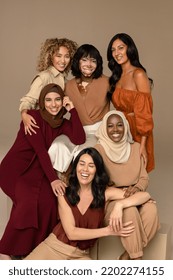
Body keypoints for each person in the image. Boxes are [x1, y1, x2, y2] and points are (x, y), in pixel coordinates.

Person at [0, 83, 85, 260]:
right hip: (16, 170)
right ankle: (6, 250)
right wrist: (54, 179)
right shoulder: (32, 117)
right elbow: (39, 150)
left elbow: (79, 138)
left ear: (63, 101)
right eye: (48, 100)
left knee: (49, 203)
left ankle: (32, 251)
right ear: (42, 102)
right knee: (28, 202)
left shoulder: (62, 122)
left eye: (57, 100)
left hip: (38, 169)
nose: (53, 104)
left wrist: (73, 110)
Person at [24, 147, 151, 260]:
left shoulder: (105, 193)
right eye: (82, 164)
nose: (85, 169)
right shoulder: (63, 193)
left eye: (91, 165)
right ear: (76, 167)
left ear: (97, 170)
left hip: (80, 255)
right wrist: (108, 231)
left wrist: (120, 205)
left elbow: (145, 195)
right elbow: (71, 233)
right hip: (54, 248)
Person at [95, 110, 159, 260]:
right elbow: (97, 184)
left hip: (134, 195)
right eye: (110, 126)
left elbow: (144, 178)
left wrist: (137, 189)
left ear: (125, 127)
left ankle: (127, 255)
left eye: (119, 125)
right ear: (105, 128)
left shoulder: (136, 148)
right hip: (111, 200)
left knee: (151, 210)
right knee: (129, 211)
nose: (115, 130)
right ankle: (136, 259)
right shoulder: (98, 150)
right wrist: (122, 196)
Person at [48, 44, 110, 174]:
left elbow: (122, 104)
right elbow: (58, 110)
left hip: (97, 132)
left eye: (93, 61)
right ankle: (59, 181)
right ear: (77, 61)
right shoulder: (68, 85)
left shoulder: (107, 82)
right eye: (84, 60)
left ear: (98, 64)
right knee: (57, 145)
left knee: (84, 154)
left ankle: (78, 186)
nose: (89, 64)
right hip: (75, 129)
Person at [107, 33, 154, 172]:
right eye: (113, 50)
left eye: (121, 48)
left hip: (137, 129)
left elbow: (145, 113)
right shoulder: (116, 77)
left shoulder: (138, 74)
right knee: (119, 171)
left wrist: (143, 145)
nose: (117, 53)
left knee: (137, 170)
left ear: (130, 49)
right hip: (120, 129)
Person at [19, 37, 78, 135]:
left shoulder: (66, 81)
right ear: (50, 57)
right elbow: (28, 100)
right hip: (39, 127)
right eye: (58, 56)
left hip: (55, 127)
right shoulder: (44, 77)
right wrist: (24, 114)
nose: (63, 61)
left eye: (67, 56)